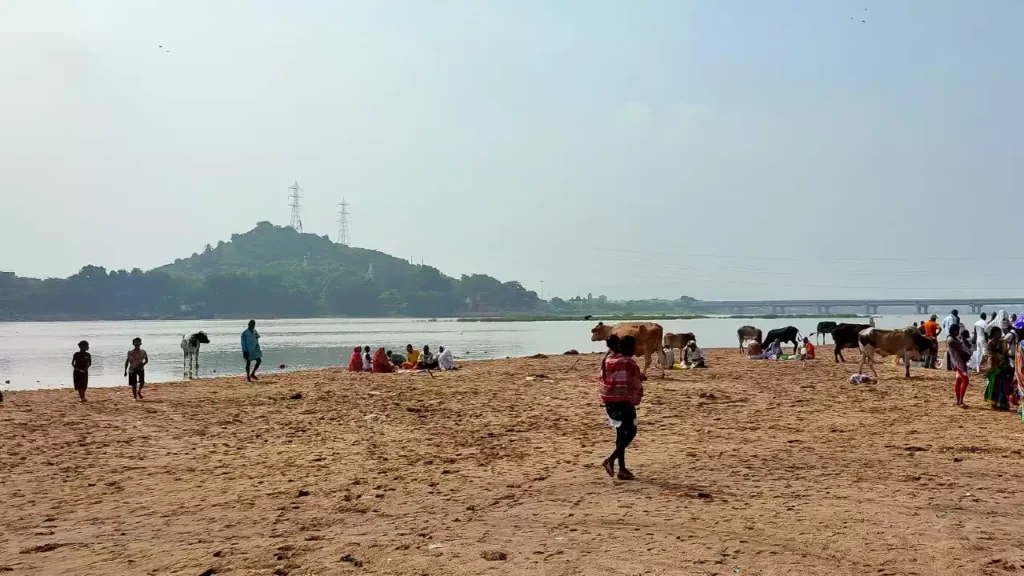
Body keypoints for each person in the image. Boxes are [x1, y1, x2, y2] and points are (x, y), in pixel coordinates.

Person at [599, 335, 645, 481]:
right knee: (631, 431)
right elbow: (634, 378)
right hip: (624, 401)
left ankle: (622, 469)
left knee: (621, 433)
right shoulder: (627, 361)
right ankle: (611, 460)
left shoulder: (609, 359)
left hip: (610, 402)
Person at [985, 327, 1015, 410]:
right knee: (993, 385)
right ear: (994, 333)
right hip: (993, 366)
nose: (999, 334)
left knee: (1002, 386)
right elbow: (992, 354)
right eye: (998, 332)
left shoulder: (1003, 342)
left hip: (1002, 366)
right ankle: (993, 404)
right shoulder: (990, 343)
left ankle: (1001, 404)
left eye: (1000, 332)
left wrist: (1013, 357)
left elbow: (1006, 354)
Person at [947, 325, 972, 407]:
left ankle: (958, 401)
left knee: (959, 381)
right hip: (959, 363)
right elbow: (961, 351)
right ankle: (960, 401)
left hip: (957, 362)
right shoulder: (952, 340)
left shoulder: (953, 339)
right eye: (956, 331)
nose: (957, 332)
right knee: (965, 381)